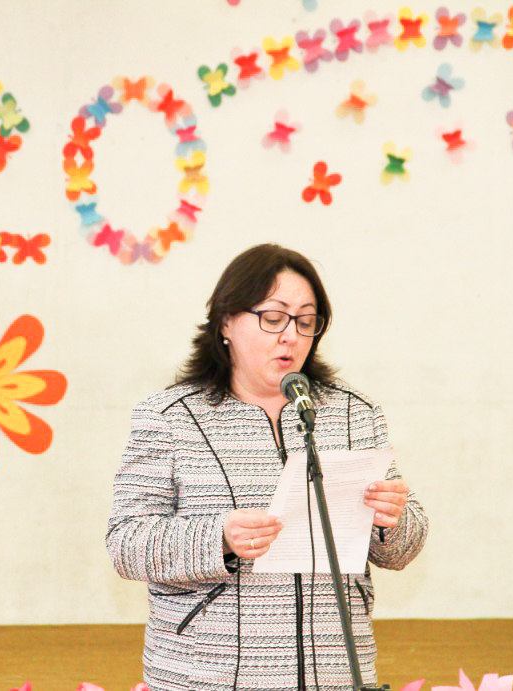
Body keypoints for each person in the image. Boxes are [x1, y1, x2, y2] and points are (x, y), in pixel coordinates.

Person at [106, 243, 428, 691]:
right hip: (208, 675)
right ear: (226, 322)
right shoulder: (171, 417)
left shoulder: (354, 413)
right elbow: (125, 543)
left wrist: (391, 518)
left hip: (334, 671)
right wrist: (219, 538)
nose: (290, 336)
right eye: (273, 318)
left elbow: (402, 550)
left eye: (305, 321)